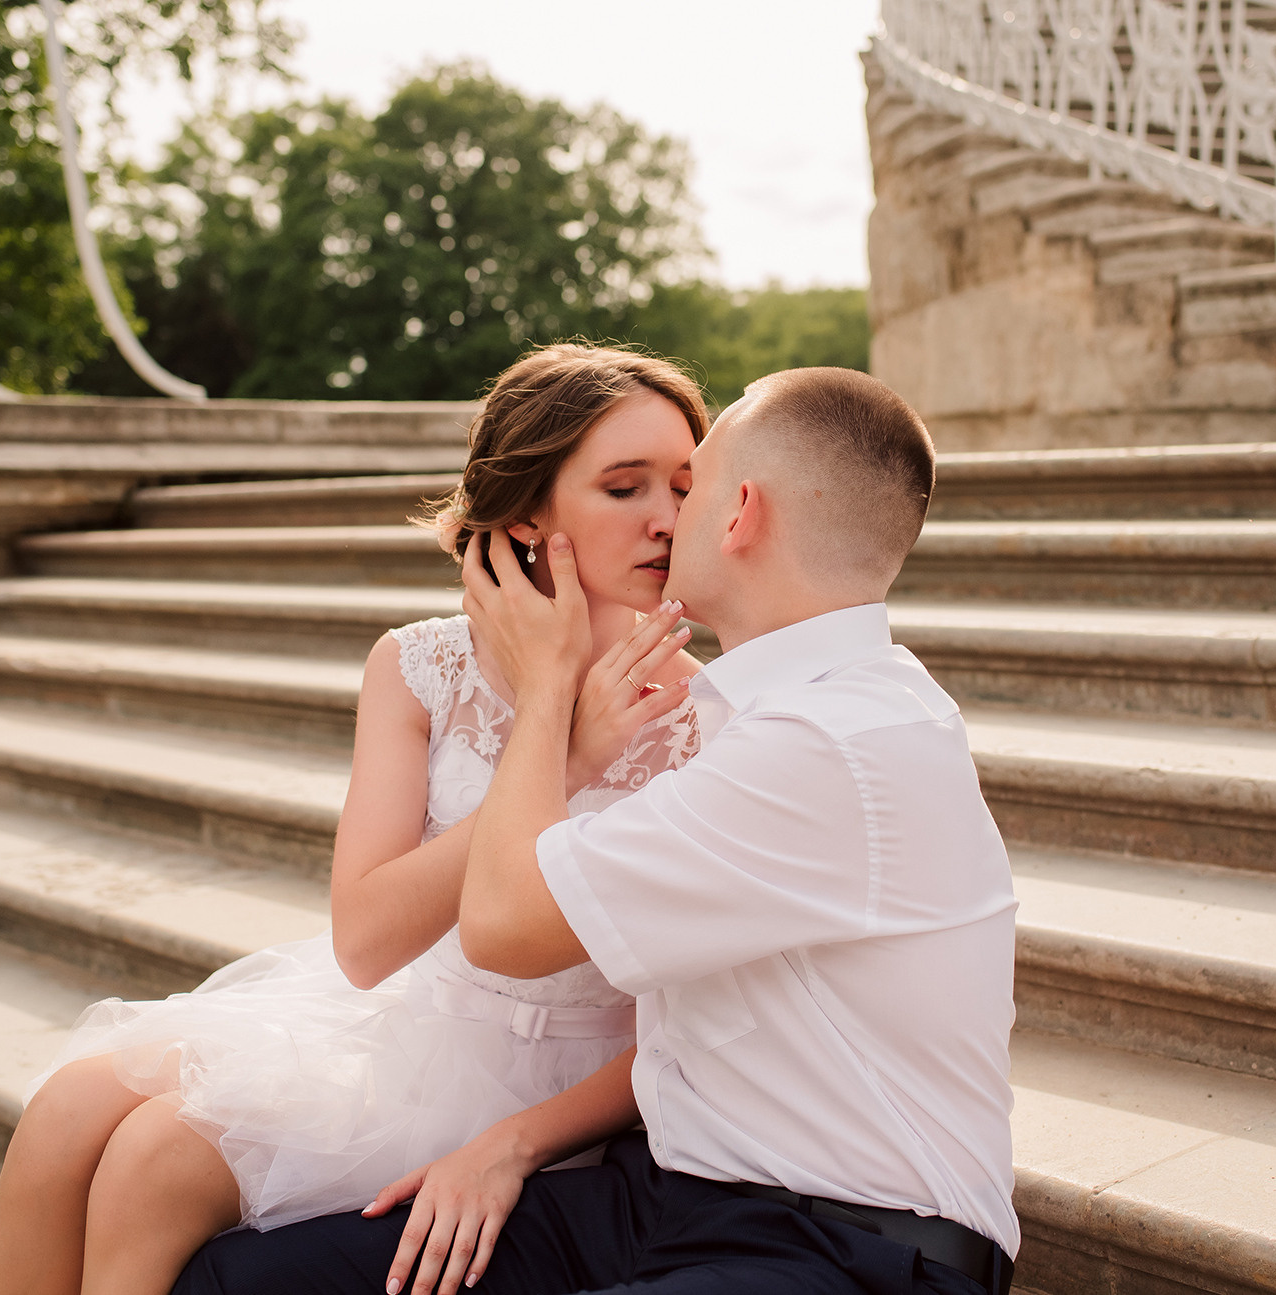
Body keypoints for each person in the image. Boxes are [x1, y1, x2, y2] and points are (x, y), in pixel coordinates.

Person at [0, 344, 709, 1295]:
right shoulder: (422, 666)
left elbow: (692, 1026)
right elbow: (367, 942)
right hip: (402, 1023)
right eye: (626, 487)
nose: (667, 519)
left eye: (686, 485)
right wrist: (557, 736)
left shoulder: (710, 720)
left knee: (154, 1164)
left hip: (556, 1086)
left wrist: (564, 741)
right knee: (66, 1110)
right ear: (528, 512)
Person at [171, 367, 1020, 1295]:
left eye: (690, 485)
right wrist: (509, 1140)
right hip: (669, 1193)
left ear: (738, 514)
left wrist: (545, 688)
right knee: (239, 1279)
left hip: (853, 1247)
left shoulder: (825, 741)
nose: (667, 516)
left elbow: (503, 925)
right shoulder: (777, 707)